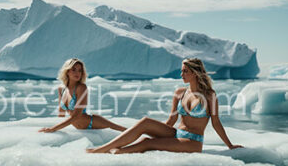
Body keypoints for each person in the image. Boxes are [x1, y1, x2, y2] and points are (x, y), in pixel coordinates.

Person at [87, 58, 243, 153]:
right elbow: (171, 121)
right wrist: (156, 130)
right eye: (182, 71)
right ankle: (105, 149)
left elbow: (216, 123)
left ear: (195, 73)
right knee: (145, 122)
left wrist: (230, 146)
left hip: (193, 142)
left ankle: (116, 153)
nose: (181, 75)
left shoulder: (210, 95)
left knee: (147, 142)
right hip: (176, 134)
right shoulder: (180, 92)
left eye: (185, 71)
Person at [39, 58, 127, 133]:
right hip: (77, 126)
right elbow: (61, 113)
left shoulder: (81, 88)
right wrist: (55, 129)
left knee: (124, 131)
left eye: (80, 70)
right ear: (67, 71)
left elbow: (77, 115)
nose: (77, 73)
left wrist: (53, 129)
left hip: (92, 122)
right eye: (74, 69)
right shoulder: (61, 89)